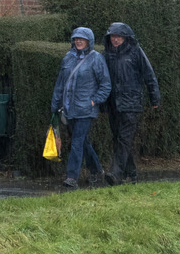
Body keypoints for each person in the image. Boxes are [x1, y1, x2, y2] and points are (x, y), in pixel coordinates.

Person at [51, 27, 111, 189]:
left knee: (77, 142)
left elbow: (105, 84)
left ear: (88, 41)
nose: (78, 41)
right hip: (69, 108)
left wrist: (94, 101)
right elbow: (60, 84)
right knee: (82, 141)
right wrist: (55, 104)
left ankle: (71, 177)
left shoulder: (96, 59)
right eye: (76, 38)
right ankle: (97, 170)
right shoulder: (68, 58)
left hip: (86, 110)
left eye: (82, 39)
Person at [102, 22, 161, 186]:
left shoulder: (136, 52)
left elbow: (149, 75)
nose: (115, 39)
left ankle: (115, 173)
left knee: (124, 139)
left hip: (131, 103)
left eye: (119, 36)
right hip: (113, 103)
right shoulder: (106, 54)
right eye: (113, 36)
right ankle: (132, 174)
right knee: (118, 138)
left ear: (126, 38)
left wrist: (154, 97)